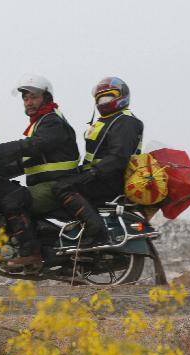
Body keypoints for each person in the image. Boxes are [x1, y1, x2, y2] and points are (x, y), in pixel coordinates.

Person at [0, 74, 79, 267]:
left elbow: (30, 146)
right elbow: (24, 162)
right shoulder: (39, 124)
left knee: (13, 199)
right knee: (4, 193)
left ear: (46, 98)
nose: (28, 102)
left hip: (58, 185)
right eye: (26, 98)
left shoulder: (52, 122)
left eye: (34, 97)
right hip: (49, 184)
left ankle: (31, 253)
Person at [54, 76, 144, 246]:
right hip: (101, 175)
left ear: (122, 97)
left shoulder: (125, 121)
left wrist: (93, 172)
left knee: (63, 188)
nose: (104, 101)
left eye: (109, 97)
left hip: (111, 179)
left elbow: (119, 156)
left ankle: (95, 230)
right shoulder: (107, 121)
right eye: (100, 98)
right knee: (60, 182)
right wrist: (81, 171)